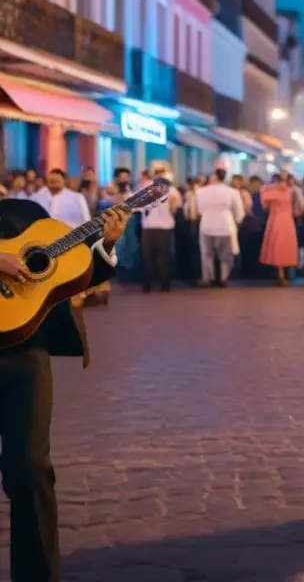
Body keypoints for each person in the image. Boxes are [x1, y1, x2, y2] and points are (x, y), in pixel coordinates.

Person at [0, 198, 129, 581]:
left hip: (27, 354)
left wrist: (105, 244)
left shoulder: (26, 214)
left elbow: (69, 272)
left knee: (31, 470)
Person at [191, 168, 245, 287]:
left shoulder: (201, 191)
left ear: (214, 177)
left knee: (207, 254)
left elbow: (197, 210)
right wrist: (237, 222)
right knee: (225, 256)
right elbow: (239, 211)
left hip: (206, 224)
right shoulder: (232, 192)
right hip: (225, 225)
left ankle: (207, 278)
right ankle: (223, 278)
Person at [138, 163, 182, 293]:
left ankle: (147, 284)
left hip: (148, 227)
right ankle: (165, 284)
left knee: (147, 257)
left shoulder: (144, 187)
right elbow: (176, 206)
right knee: (165, 258)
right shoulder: (171, 189)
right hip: (165, 227)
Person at [259, 174, 301, 285]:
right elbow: (300, 204)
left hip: (276, 219)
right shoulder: (290, 190)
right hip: (287, 220)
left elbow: (265, 205)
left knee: (277, 246)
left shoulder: (270, 191)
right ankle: (285, 274)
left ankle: (281, 273)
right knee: (286, 246)